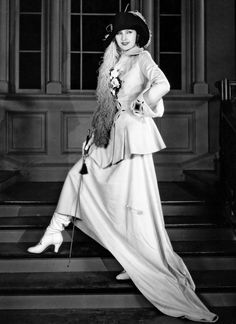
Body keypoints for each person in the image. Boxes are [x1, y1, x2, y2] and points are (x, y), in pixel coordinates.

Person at [27, 11, 218, 323]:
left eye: (130, 32)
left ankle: (139, 261)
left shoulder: (142, 58)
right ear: (114, 37)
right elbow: (107, 105)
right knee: (79, 174)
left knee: (132, 204)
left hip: (133, 137)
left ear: (138, 35)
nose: (125, 37)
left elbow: (162, 83)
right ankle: (54, 232)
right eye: (119, 33)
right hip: (112, 134)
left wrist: (144, 100)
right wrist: (92, 136)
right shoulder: (113, 61)